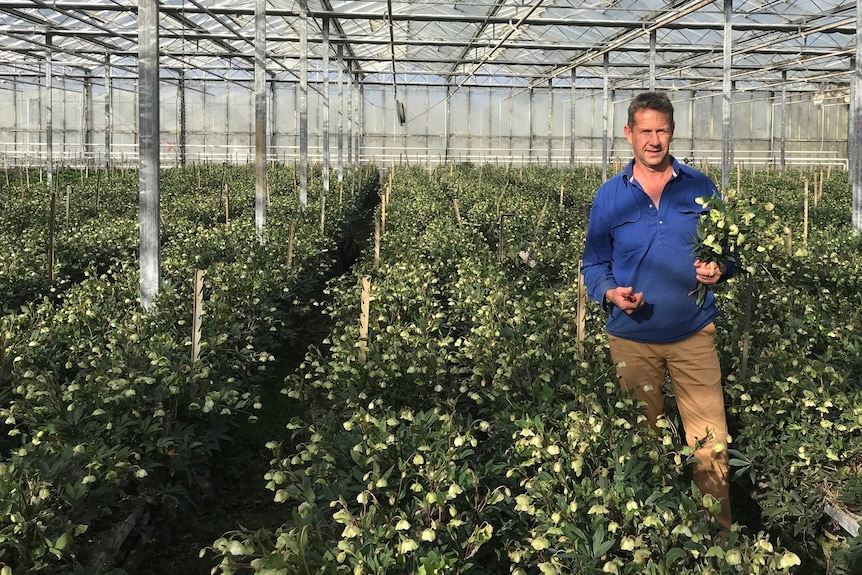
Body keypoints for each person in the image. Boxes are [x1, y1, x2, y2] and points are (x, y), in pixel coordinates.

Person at [580, 91, 734, 531]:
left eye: (661, 130)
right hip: (631, 338)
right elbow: (594, 264)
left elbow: (728, 251)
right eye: (644, 131)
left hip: (692, 333)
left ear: (671, 132)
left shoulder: (700, 187)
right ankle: (647, 533)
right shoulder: (610, 195)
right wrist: (610, 293)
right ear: (628, 134)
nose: (653, 140)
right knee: (638, 442)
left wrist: (718, 268)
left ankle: (718, 538)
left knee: (711, 442)